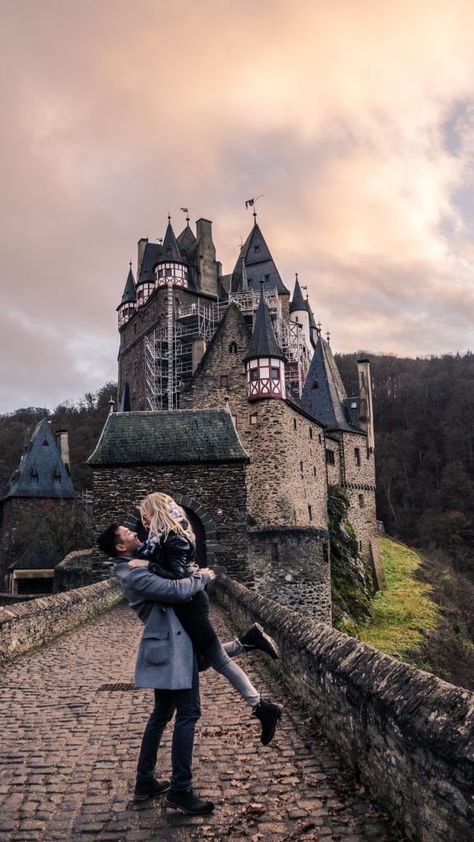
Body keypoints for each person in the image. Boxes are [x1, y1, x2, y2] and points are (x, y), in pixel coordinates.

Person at [97, 521, 281, 816]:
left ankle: (145, 782)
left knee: (161, 715)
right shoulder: (131, 572)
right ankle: (181, 790)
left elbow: (170, 559)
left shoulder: (136, 563)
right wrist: (204, 576)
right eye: (127, 534)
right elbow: (175, 590)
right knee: (189, 713)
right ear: (120, 547)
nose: (134, 533)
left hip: (171, 645)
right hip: (172, 649)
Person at [129, 492, 283, 745]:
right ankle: (248, 642)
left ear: (154, 511)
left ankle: (262, 708)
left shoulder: (172, 538)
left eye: (145, 513)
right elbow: (155, 555)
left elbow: (178, 577)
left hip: (190, 605)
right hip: (190, 604)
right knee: (201, 660)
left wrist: (148, 567)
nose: (143, 519)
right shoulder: (169, 534)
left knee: (218, 661)